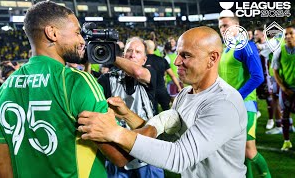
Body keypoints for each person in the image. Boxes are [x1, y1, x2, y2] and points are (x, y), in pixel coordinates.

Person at [78, 26, 248, 177]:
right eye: (178, 54)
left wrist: (115, 133)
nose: (176, 61)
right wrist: (127, 115)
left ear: (212, 58)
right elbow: (163, 142)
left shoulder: (224, 103)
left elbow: (179, 157)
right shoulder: (186, 94)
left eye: (186, 55)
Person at [0, 1, 129, 178]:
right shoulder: (77, 81)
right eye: (77, 33)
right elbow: (120, 157)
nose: (81, 41)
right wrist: (152, 128)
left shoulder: (5, 88)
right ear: (52, 33)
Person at [97, 37, 163, 177]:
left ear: (144, 60)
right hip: (119, 152)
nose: (133, 54)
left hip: (147, 155)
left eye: (138, 52)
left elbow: (138, 73)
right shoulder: (107, 79)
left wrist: (108, 54)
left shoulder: (150, 73)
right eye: (129, 51)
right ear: (123, 56)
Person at [218, 16, 271, 178]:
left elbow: (258, 77)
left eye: (226, 25)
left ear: (237, 27)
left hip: (245, 106)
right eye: (220, 26)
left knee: (249, 151)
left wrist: (236, 96)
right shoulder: (225, 48)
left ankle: (267, 176)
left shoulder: (247, 46)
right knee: (238, 152)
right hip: (228, 106)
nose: (222, 29)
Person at [271, 24, 295, 151]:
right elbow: (275, 72)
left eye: (291, 33)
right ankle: (286, 141)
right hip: (286, 88)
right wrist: (284, 88)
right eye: (286, 34)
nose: (288, 36)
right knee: (284, 115)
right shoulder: (279, 51)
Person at [254, 27, 282, 130]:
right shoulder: (256, 45)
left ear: (262, 34)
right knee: (253, 95)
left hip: (268, 76)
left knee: (271, 98)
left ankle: (272, 120)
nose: (255, 36)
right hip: (255, 75)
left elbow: (264, 50)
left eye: (256, 34)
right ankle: (257, 112)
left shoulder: (269, 44)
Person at [144, 40, 182, 113]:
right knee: (167, 111)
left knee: (153, 113)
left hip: (150, 92)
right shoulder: (162, 59)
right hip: (162, 90)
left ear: (145, 48)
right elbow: (172, 75)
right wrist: (179, 87)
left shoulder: (143, 60)